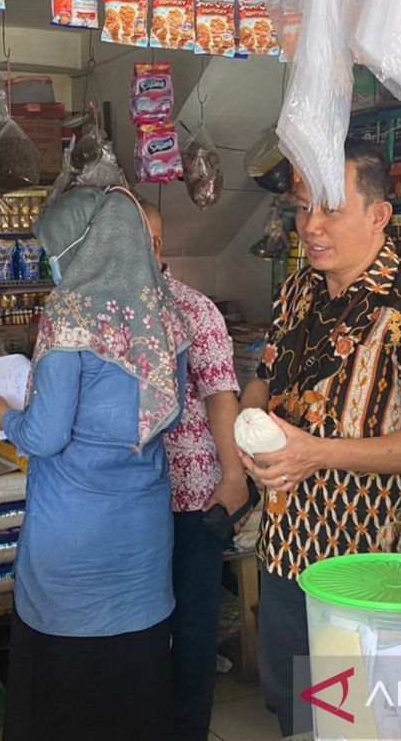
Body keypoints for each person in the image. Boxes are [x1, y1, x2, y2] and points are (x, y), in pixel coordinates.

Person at [238, 140, 401, 736]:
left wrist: (317, 452)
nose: (311, 227)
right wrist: (250, 429)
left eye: (330, 210)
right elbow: (265, 377)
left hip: (367, 563)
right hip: (287, 545)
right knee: (295, 708)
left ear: (378, 215)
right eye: (301, 208)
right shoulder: (298, 292)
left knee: (357, 719)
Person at [0, 186, 190, 741]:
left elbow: (45, 435)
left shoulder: (70, 313)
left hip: (74, 541)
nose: (53, 262)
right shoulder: (166, 314)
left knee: (63, 701)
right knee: (134, 695)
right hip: (142, 535)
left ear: (81, 245)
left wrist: (1, 417)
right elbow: (165, 413)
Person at [142, 200, 252, 741]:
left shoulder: (192, 309)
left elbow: (220, 395)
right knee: (139, 618)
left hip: (191, 494)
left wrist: (232, 479)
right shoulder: (108, 313)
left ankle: (186, 729)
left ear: (156, 246)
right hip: (131, 498)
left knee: (191, 617)